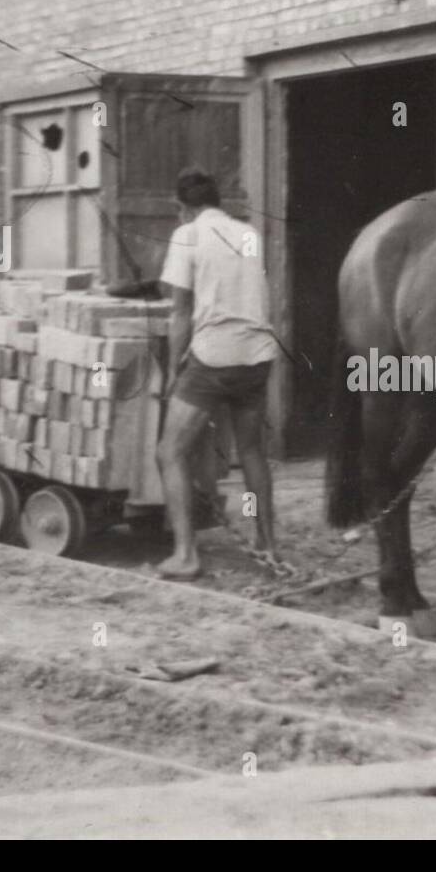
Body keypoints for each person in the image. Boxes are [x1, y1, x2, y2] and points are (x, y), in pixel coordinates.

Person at [155, 167, 278, 579]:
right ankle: (268, 544)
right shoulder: (248, 234)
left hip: (213, 359)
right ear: (217, 203)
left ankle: (185, 553)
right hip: (257, 355)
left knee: (170, 450)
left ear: (182, 209)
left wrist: (174, 371)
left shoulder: (186, 235)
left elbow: (181, 312)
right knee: (252, 451)